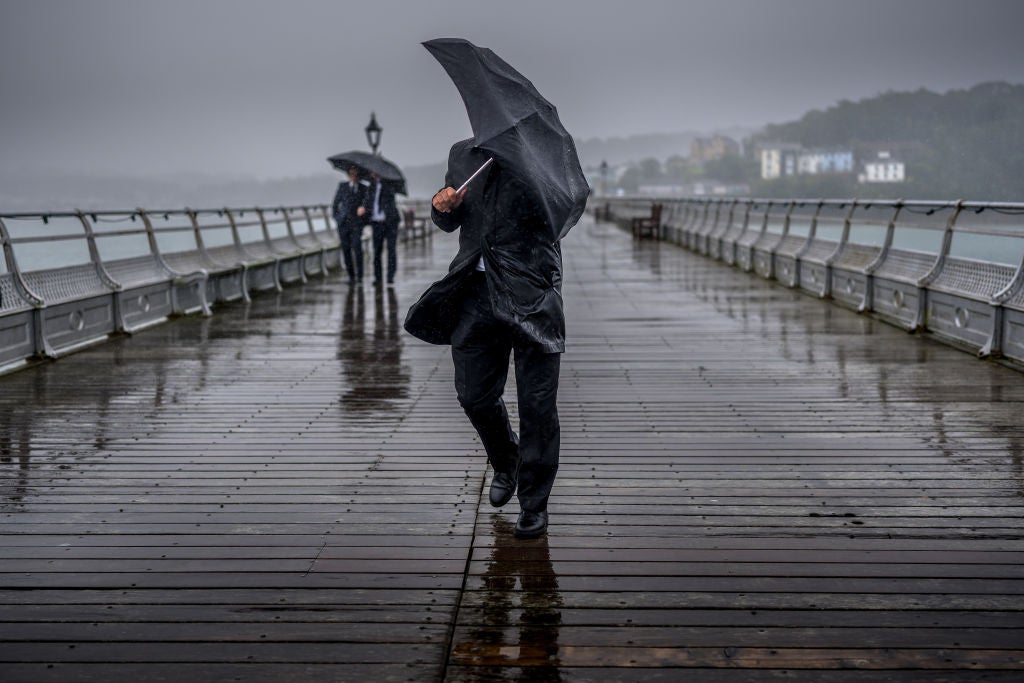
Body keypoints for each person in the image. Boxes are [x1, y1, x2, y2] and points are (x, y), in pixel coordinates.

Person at [404, 139, 565, 539]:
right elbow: (451, 221)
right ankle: (506, 459)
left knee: (537, 406)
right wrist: (442, 206)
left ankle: (533, 504)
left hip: (532, 292)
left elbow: (560, 215)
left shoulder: (542, 156)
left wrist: (525, 174)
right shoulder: (464, 155)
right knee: (473, 395)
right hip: (475, 292)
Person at [362, 172, 401, 286]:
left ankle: (390, 277)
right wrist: (364, 209)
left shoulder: (389, 185)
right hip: (376, 223)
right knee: (377, 251)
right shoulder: (371, 187)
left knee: (391, 250)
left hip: (390, 222)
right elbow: (368, 202)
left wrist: (383, 181)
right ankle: (378, 278)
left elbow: (390, 200)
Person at [331, 166, 367, 285]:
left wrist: (363, 210)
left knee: (357, 249)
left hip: (357, 224)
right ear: (348, 174)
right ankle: (351, 277)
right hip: (343, 224)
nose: (354, 176)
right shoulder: (342, 186)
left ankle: (360, 276)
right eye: (352, 174)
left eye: (356, 174)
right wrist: (337, 218)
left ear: (359, 176)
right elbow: (335, 205)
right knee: (346, 251)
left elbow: (368, 204)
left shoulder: (364, 188)